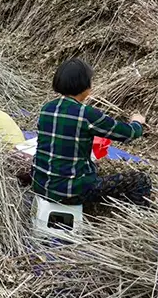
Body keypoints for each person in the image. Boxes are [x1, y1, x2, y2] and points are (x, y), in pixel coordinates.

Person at [32, 58, 151, 206]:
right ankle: (136, 215)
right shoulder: (86, 115)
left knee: (94, 167)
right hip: (71, 193)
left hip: (40, 185)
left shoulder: (46, 108)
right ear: (85, 86)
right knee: (141, 180)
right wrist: (137, 121)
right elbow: (130, 134)